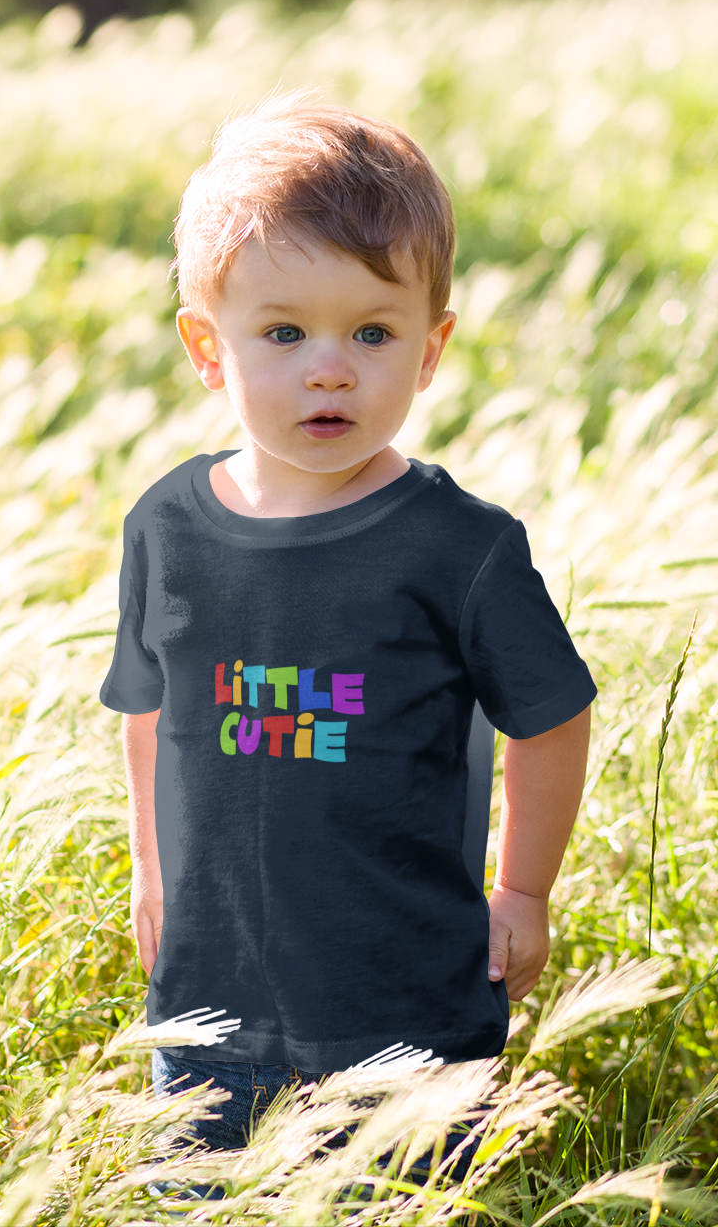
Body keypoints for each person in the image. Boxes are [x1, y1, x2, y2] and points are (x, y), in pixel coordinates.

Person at [99, 96, 596, 1184]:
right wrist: (151, 868)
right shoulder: (168, 528)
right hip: (211, 999)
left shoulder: (458, 547)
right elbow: (150, 708)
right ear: (207, 347)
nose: (330, 368)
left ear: (430, 350)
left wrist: (523, 890)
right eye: (284, 333)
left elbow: (554, 715)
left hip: (403, 1003)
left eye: (372, 332)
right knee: (198, 1201)